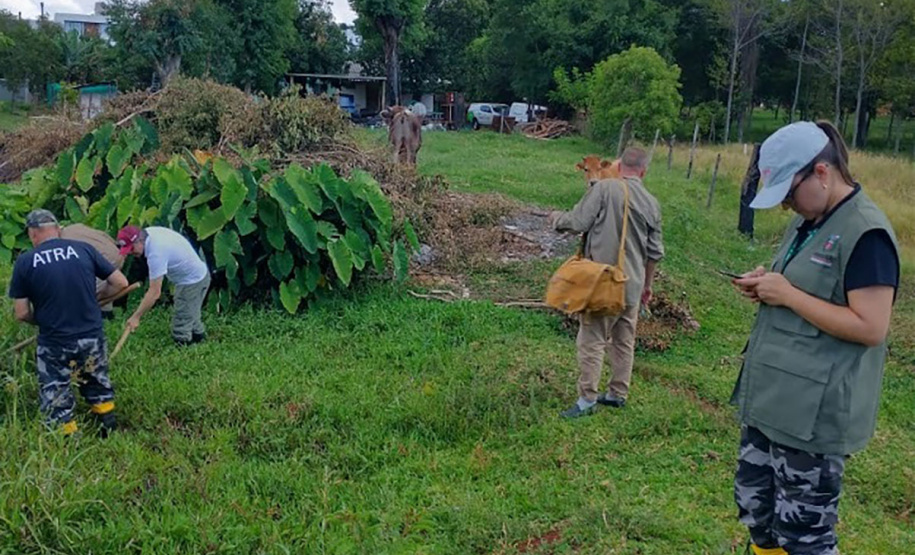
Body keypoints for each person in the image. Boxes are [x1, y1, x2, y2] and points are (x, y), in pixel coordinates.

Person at [731, 121, 899, 555]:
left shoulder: (867, 234)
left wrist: (787, 295)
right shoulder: (810, 220)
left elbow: (871, 326)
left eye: (790, 194)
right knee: (757, 512)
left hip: (813, 414)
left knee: (804, 534)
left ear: (821, 173)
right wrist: (769, 282)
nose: (787, 206)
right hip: (774, 398)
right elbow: (804, 283)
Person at [549, 147, 665, 418]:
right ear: (644, 171)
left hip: (605, 283)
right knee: (624, 339)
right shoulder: (652, 202)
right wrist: (648, 286)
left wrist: (555, 218)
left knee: (592, 340)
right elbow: (655, 253)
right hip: (634, 285)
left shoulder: (605, 189)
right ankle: (617, 393)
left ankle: (587, 399)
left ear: (617, 165)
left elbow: (578, 222)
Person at [8, 210, 129, 436]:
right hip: (90, 332)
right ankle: (107, 424)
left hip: (55, 338)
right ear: (57, 229)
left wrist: (42, 321)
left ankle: (67, 437)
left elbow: (21, 313)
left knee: (56, 386)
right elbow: (121, 282)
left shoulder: (25, 262)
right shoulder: (83, 249)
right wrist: (96, 300)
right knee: (95, 376)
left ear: (32, 233)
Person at [116, 225, 211, 346]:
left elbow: (155, 293)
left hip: (191, 281)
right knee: (191, 312)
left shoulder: (156, 253)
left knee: (182, 319)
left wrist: (136, 317)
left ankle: (183, 349)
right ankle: (200, 339)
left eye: (131, 248)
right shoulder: (148, 234)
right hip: (198, 273)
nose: (130, 252)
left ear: (139, 240)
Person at [60, 223, 125, 319]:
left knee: (89, 291)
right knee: (104, 285)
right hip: (116, 252)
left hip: (103, 257)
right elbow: (103, 235)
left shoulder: (61, 241)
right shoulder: (76, 227)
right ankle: (107, 317)